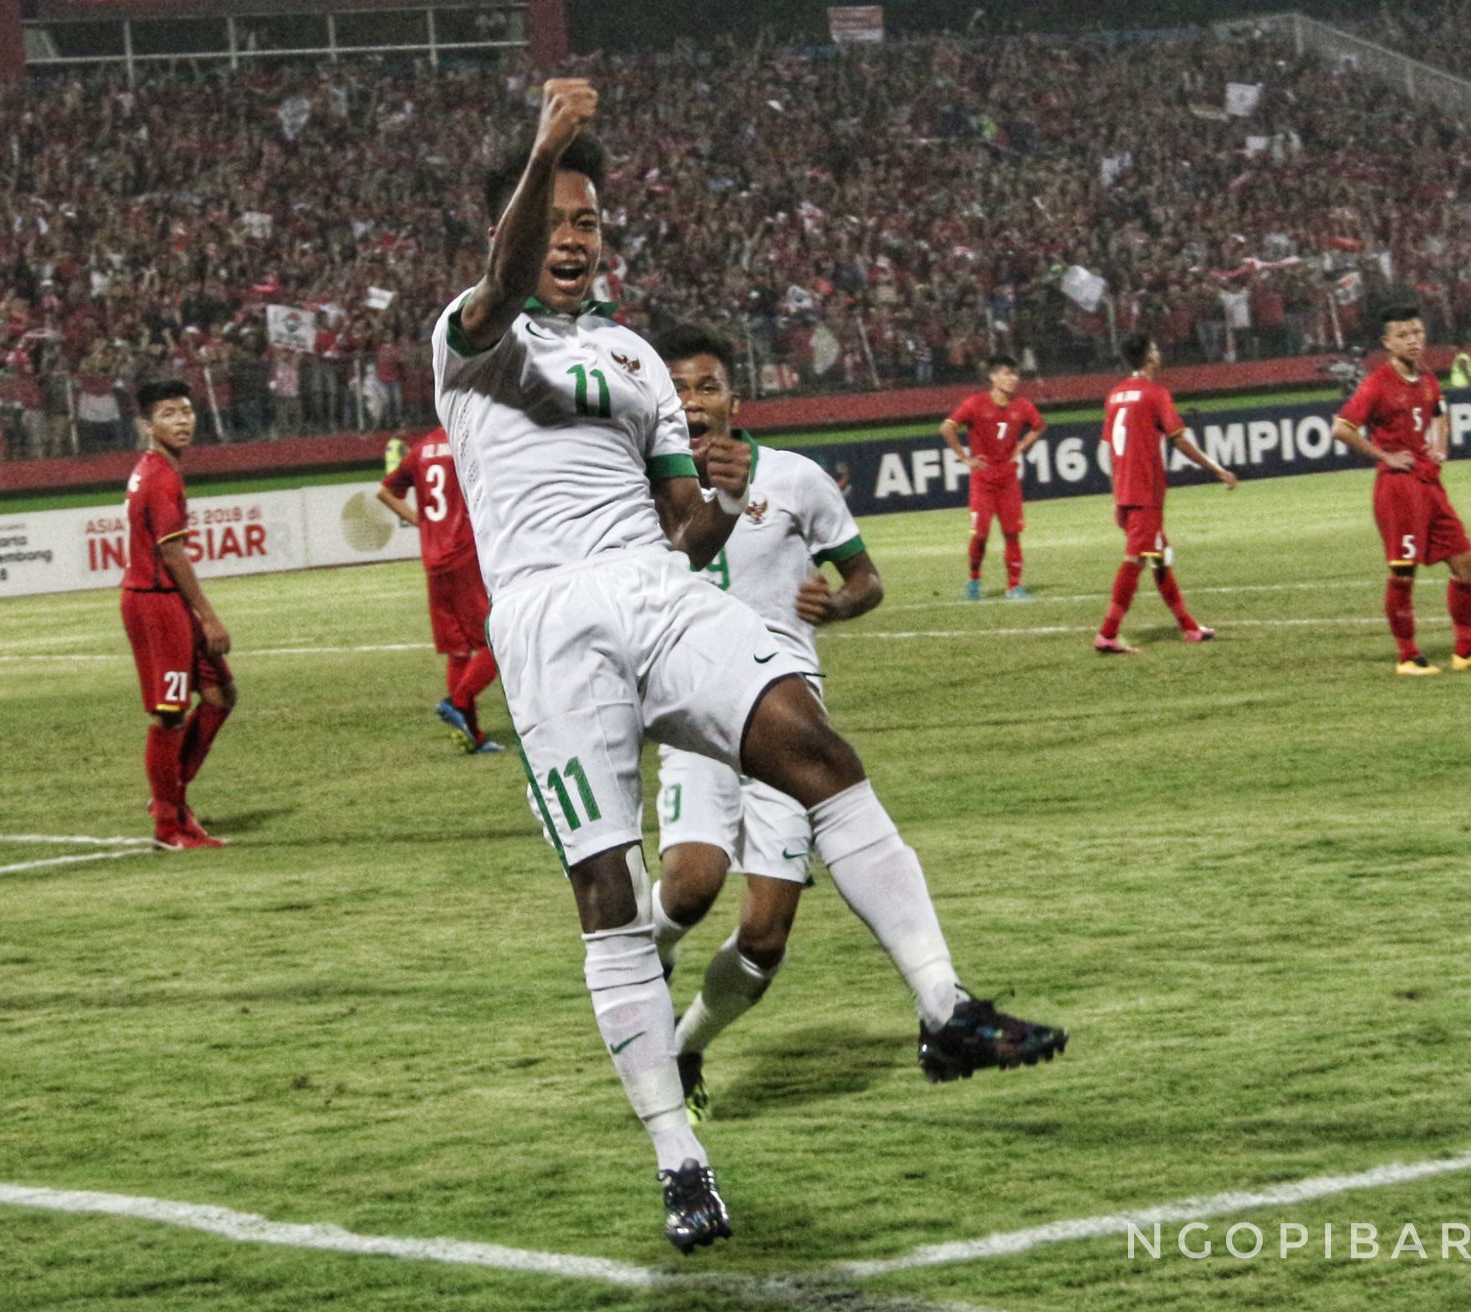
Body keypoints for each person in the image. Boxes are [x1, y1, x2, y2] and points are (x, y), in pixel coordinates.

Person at [432, 80, 1066, 1255]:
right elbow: (506, 269)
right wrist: (544, 150)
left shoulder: (631, 356)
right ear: (515, 226)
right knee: (609, 897)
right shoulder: (469, 336)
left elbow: (684, 519)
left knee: (815, 748)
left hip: (653, 588)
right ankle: (678, 1154)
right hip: (547, 622)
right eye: (556, 219)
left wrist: (716, 496)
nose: (574, 240)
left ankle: (942, 1007)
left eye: (589, 223)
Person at [645, 325, 887, 1125]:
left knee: (766, 937)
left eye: (706, 386)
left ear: (734, 400)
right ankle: (652, 958)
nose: (691, 401)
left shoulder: (794, 479)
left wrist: (840, 603)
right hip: (695, 716)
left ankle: (685, 1046)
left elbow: (865, 579)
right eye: (676, 389)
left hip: (783, 720)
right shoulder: (635, 490)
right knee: (690, 885)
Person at [1332, 305, 1471, 676]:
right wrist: (1384, 455)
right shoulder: (1377, 384)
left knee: (1466, 566)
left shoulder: (1427, 377)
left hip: (1430, 483)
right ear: (1387, 343)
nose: (1413, 340)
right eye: (1403, 335)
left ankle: (1466, 650)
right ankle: (1408, 657)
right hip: (1399, 489)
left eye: (1417, 333)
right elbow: (1341, 428)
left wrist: (1439, 443)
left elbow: (1440, 411)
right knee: (1403, 572)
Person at [119, 379, 235, 849]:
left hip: (165, 601)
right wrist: (208, 616)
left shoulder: (157, 468)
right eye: (169, 413)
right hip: (156, 604)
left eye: (186, 411)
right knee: (169, 715)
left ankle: (170, 795)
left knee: (220, 694)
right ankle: (168, 826)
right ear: (147, 425)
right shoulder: (160, 476)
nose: (183, 421)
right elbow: (173, 554)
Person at [1094, 333, 1239, 654]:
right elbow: (1181, 440)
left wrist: (1116, 496)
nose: (1159, 352)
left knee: (1160, 557)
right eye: (1156, 347)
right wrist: (1217, 469)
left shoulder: (1115, 395)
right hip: (1145, 491)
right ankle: (1107, 634)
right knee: (1136, 559)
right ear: (1148, 357)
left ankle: (1189, 627)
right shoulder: (1154, 393)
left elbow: (1106, 451)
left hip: (1126, 490)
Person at [375, 427, 503, 753]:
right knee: (498, 640)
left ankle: (472, 736)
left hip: (434, 559)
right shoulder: (468, 443)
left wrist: (423, 522)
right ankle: (458, 703)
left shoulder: (421, 449)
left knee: (457, 649)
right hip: (463, 554)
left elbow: (385, 492)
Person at [940, 356, 1044, 599]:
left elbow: (1039, 426)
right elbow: (947, 427)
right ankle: (974, 579)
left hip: (1008, 480)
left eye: (1015, 374)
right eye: (1007, 374)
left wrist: (1022, 446)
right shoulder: (975, 404)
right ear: (993, 377)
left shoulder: (1023, 406)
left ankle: (1014, 586)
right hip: (983, 481)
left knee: (1012, 532)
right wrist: (965, 458)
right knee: (981, 533)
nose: (1013, 379)